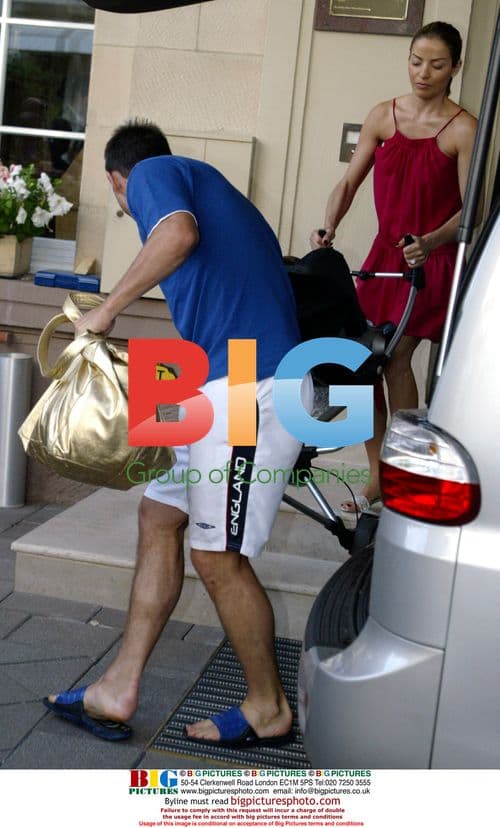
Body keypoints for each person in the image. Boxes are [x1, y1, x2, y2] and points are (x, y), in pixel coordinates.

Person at [44, 120, 312, 746]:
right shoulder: (203, 188)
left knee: (217, 557)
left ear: (118, 179)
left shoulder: (155, 176)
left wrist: (104, 312)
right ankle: (119, 686)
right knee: (158, 516)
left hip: (254, 383)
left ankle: (268, 708)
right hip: (219, 379)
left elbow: (178, 234)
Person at [311, 20, 478, 513]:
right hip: (384, 259)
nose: (423, 72)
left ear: (455, 69)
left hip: (431, 261)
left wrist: (430, 241)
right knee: (361, 363)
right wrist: (328, 226)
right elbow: (348, 182)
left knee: (396, 355)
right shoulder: (382, 115)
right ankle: (380, 476)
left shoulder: (463, 127)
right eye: (416, 60)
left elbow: (472, 207)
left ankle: (411, 473)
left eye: (437, 64)